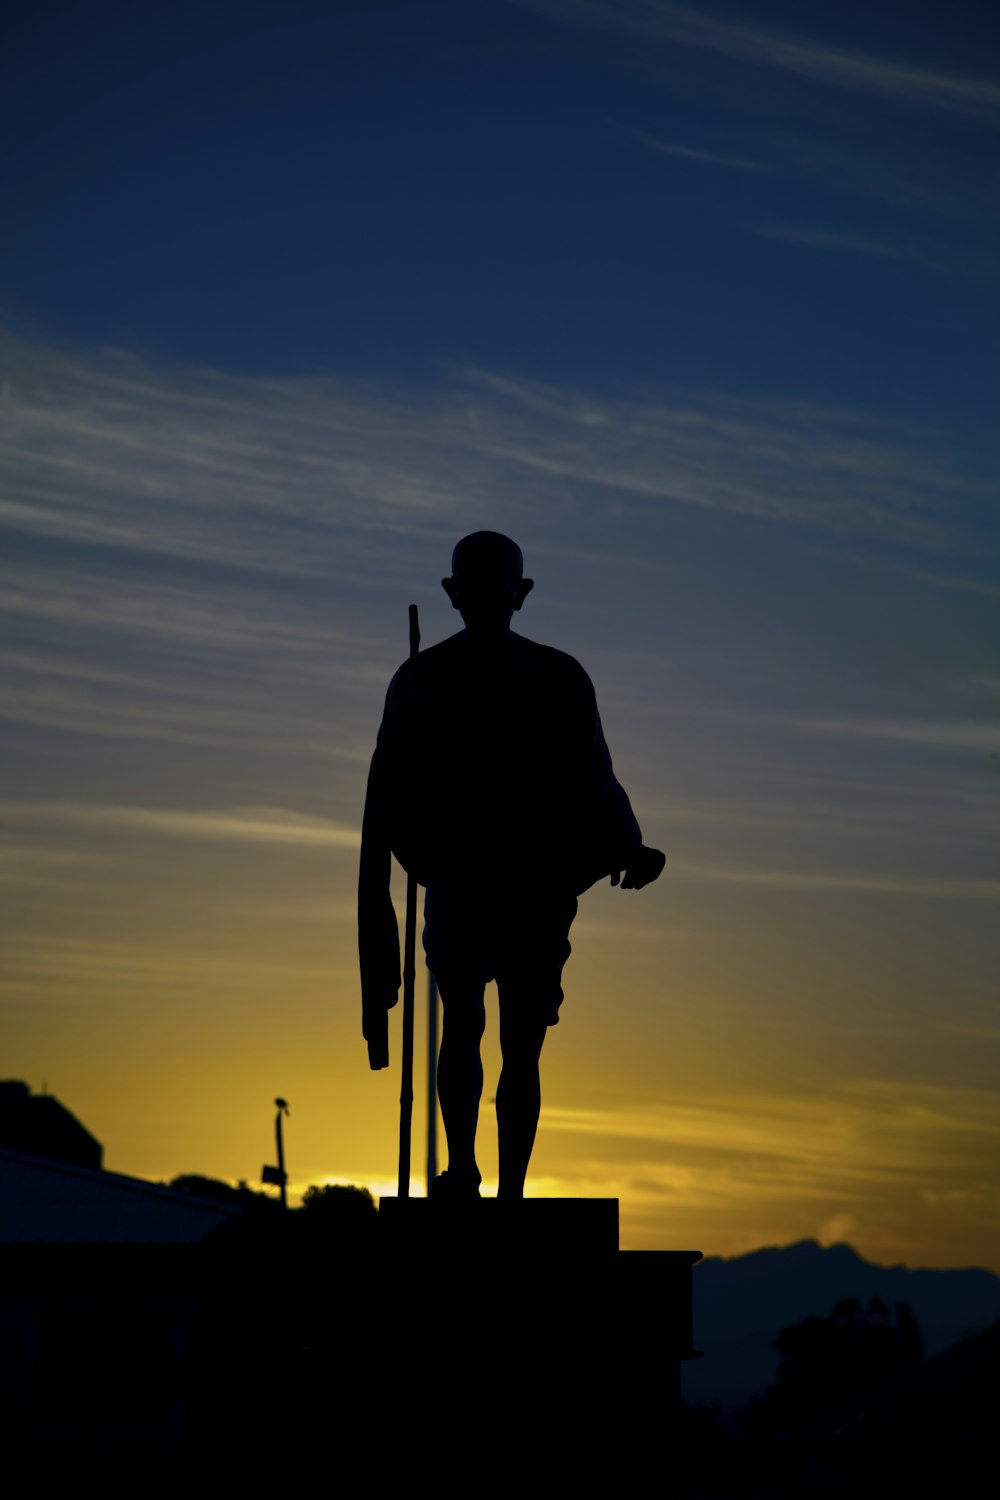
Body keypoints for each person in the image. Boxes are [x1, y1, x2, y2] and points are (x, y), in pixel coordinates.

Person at [358, 532, 664, 1200]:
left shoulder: (559, 677)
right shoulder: (420, 680)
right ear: (451, 593)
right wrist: (406, 737)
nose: (487, 598)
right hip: (459, 877)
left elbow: (595, 775)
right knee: (462, 1020)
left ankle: (513, 1190)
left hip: (535, 886)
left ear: (520, 594)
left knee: (523, 1041)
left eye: (501, 586)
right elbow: (389, 785)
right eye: (473, 585)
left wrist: (628, 843)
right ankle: (463, 1166)